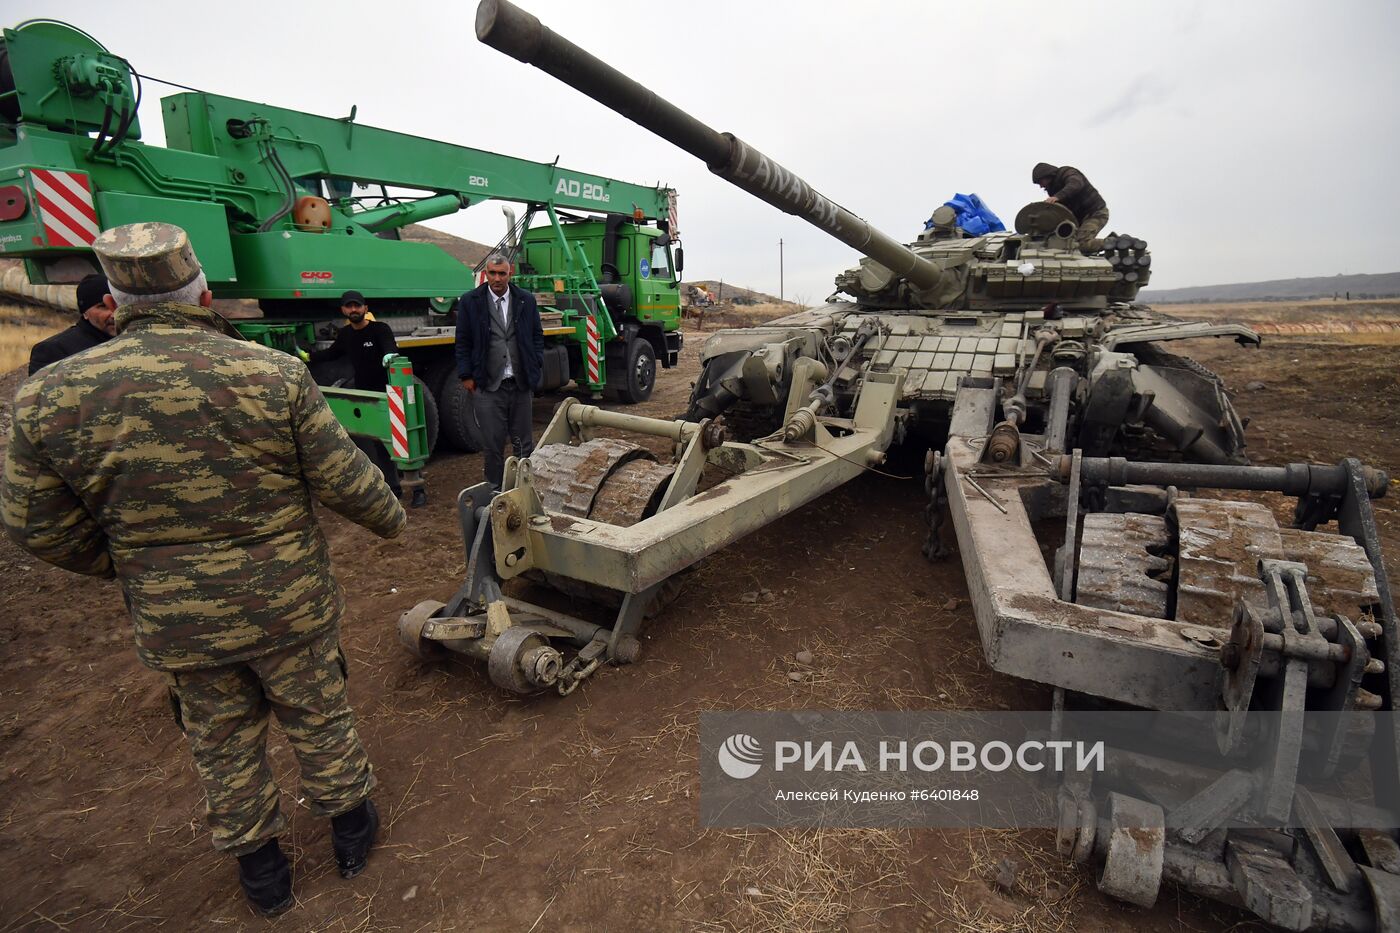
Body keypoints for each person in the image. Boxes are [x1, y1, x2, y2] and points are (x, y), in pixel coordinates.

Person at [0, 223, 406, 917]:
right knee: (319, 718)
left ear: (116, 304)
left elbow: (33, 524)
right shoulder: (270, 373)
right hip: (289, 607)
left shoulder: (50, 395)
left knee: (220, 744)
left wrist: (131, 564)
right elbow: (345, 478)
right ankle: (351, 838)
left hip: (179, 623)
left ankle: (264, 879)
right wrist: (393, 518)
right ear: (204, 294)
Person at [303, 291, 421, 504]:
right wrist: (307, 356)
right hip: (368, 397)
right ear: (343, 310)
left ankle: (418, 489)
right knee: (379, 446)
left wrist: (390, 354)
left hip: (391, 395)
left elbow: (389, 346)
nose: (354, 310)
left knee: (405, 443)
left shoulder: (380, 329)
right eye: (349, 307)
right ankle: (394, 489)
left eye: (357, 306)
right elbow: (331, 354)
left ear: (366, 308)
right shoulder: (346, 335)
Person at [454, 253, 545, 489]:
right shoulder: (470, 302)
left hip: (520, 382)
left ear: (510, 273)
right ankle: (494, 489)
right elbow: (462, 341)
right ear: (486, 273)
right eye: (492, 273)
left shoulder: (525, 300)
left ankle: (526, 487)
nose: (497, 278)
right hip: (488, 385)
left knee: (524, 443)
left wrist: (536, 364)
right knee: (493, 444)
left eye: (501, 273)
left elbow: (536, 335)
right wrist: (466, 375)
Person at [26, 273, 116, 374]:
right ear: (85, 313)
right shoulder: (54, 351)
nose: (113, 314)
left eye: (118, 305)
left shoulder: (132, 338)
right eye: (103, 307)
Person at [1031, 162, 1109, 252]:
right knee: (1067, 244)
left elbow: (1075, 184)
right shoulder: (1052, 189)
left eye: (1040, 182)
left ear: (1047, 175)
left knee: (1082, 244)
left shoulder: (1067, 172)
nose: (1041, 186)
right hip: (1079, 220)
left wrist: (1057, 197)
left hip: (1095, 213)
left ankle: (1116, 242)